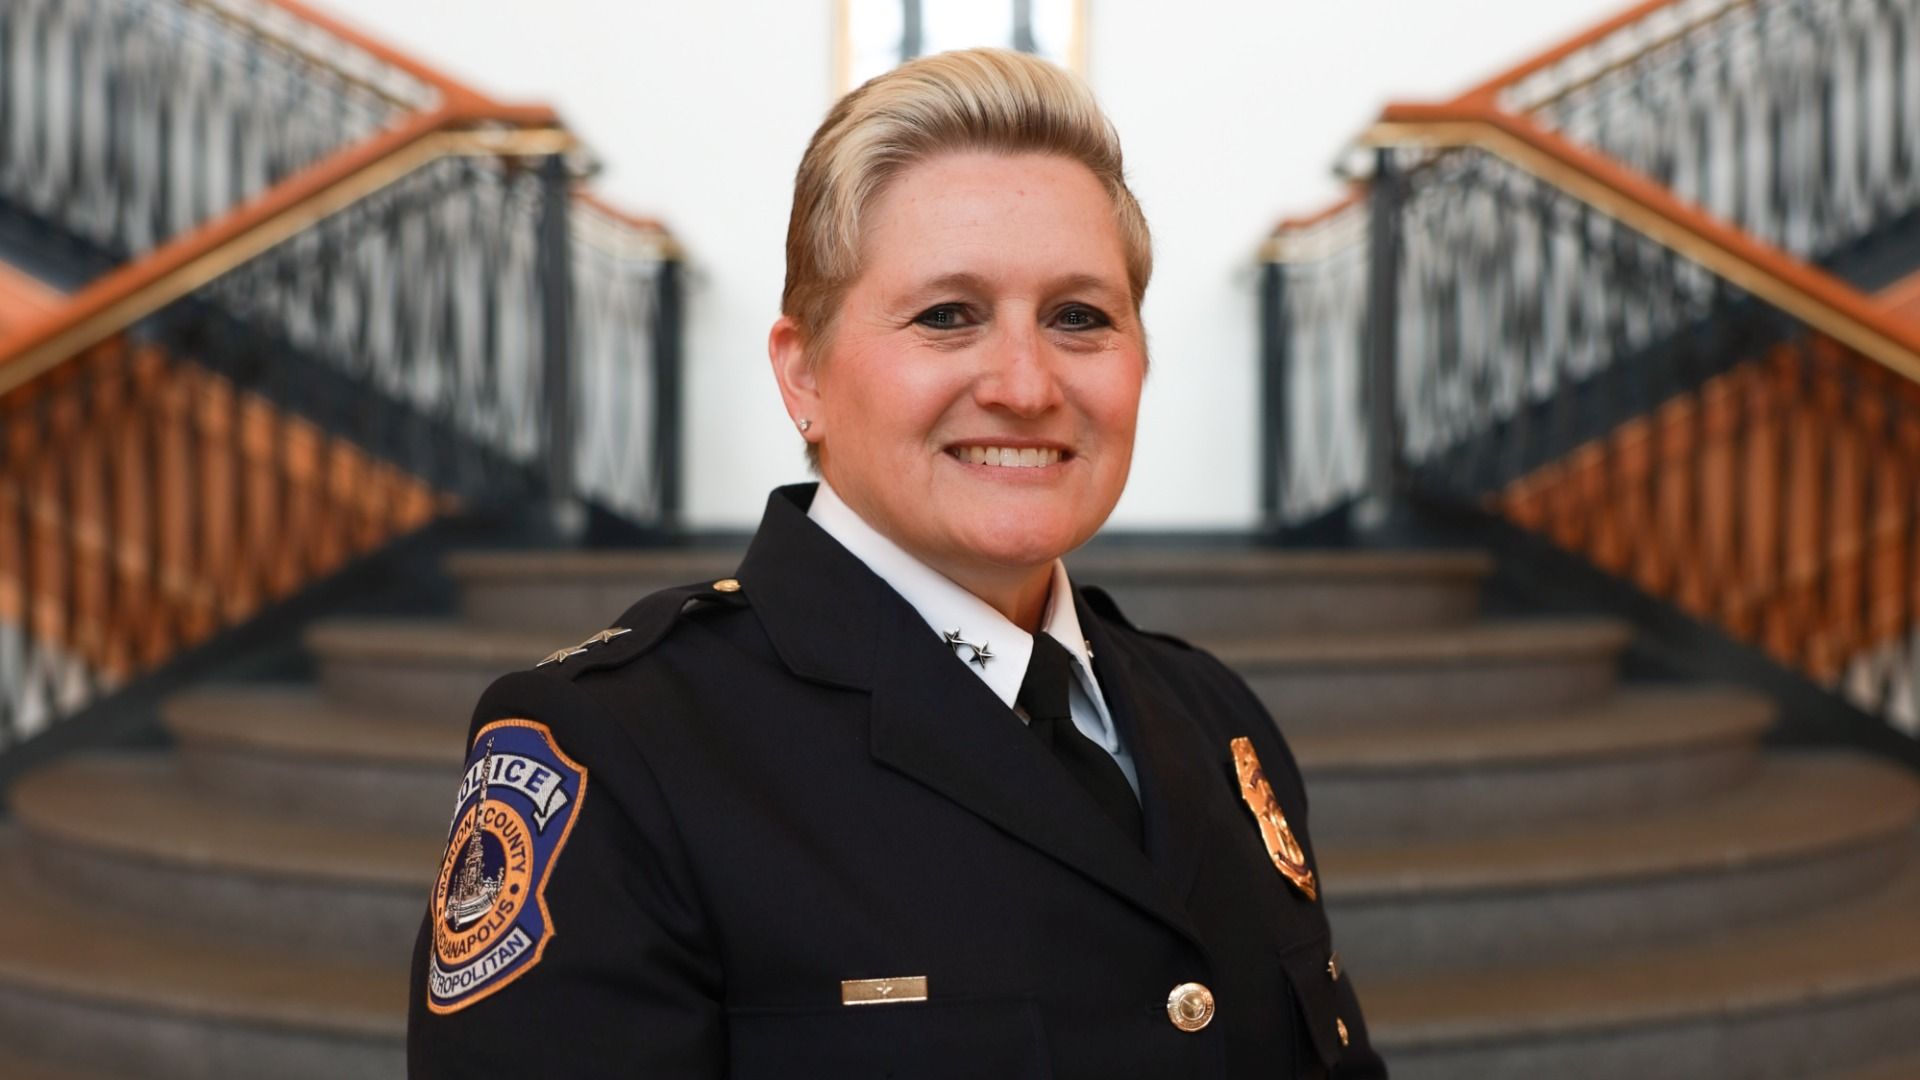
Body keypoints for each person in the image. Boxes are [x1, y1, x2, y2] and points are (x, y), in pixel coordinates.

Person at [408, 47, 1386, 1079]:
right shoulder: (620, 749)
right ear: (804, 377)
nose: (1025, 383)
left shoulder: (1216, 719)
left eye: (1079, 317)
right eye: (947, 316)